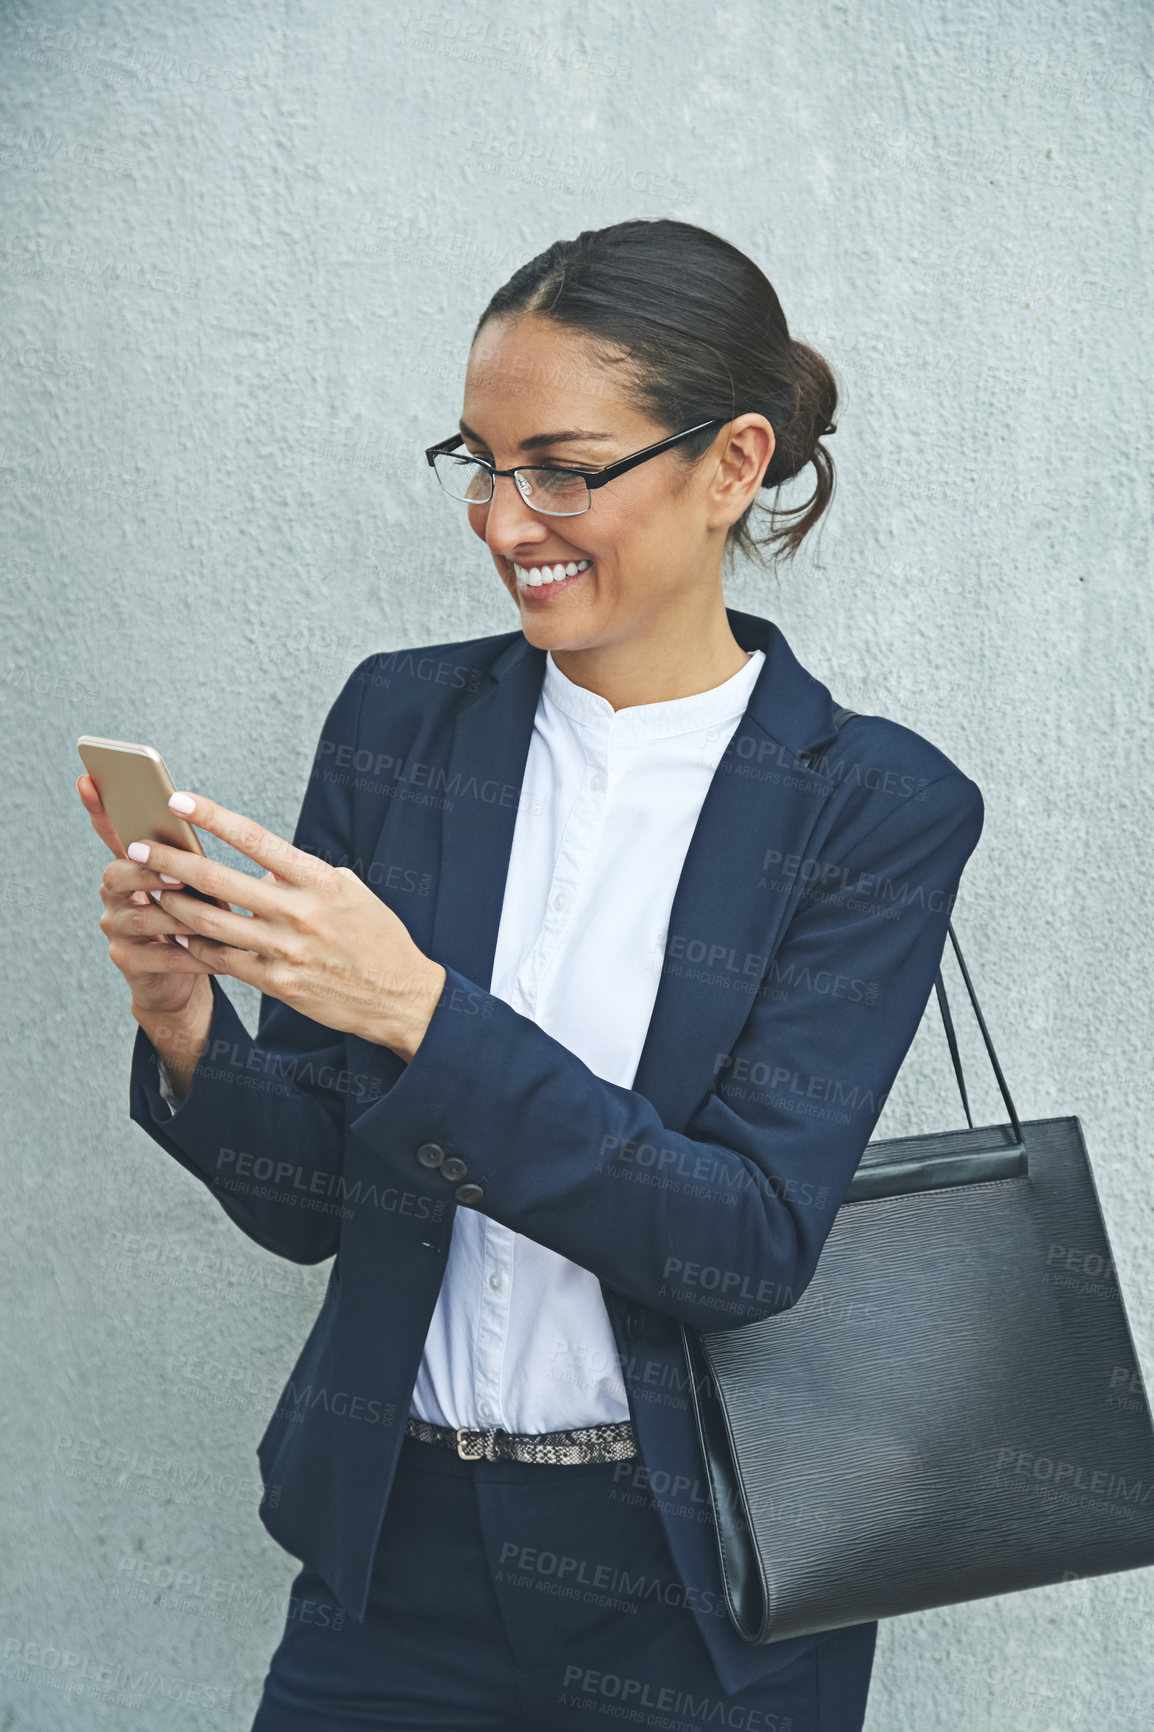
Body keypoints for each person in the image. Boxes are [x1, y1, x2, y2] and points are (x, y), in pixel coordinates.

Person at [78, 218, 984, 1731]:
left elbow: (739, 1246)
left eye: (562, 468)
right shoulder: (401, 726)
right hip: (396, 1565)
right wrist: (188, 1024)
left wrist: (420, 1014)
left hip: (703, 1597)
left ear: (732, 462)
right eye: (479, 464)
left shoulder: (870, 806)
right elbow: (309, 1208)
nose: (508, 522)